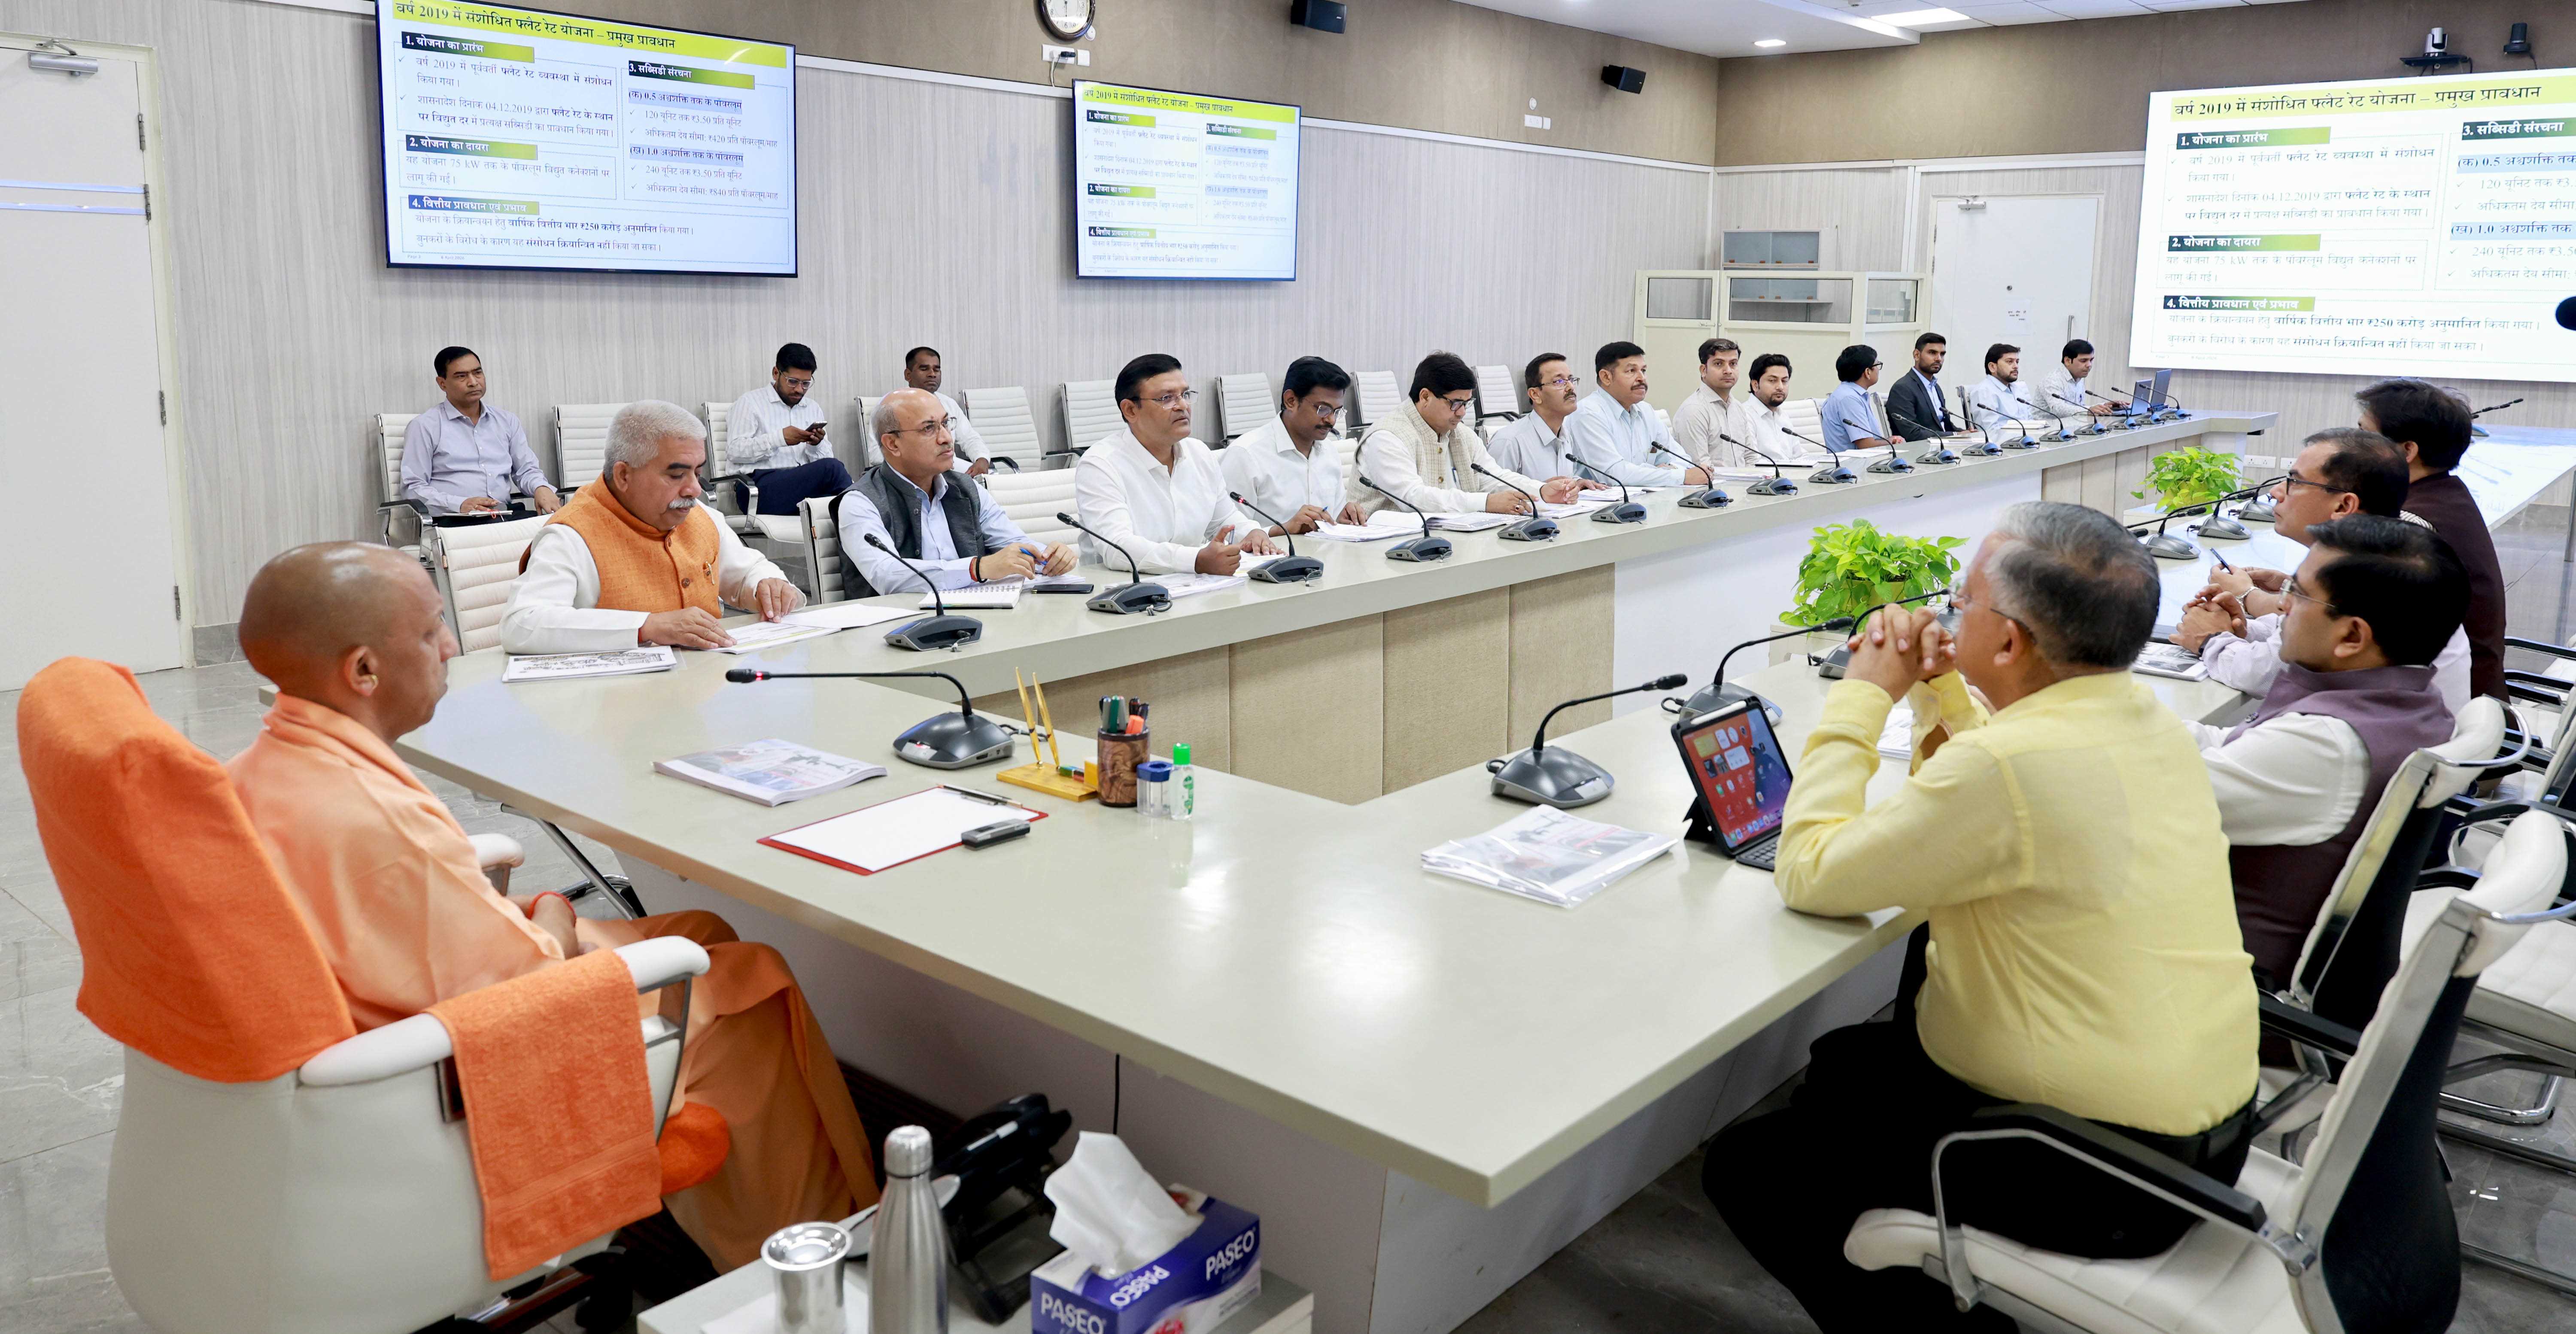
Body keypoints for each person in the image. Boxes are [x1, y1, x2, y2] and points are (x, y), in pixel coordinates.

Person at [228, 541, 877, 1271]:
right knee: (750, 980)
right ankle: (804, 1261)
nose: (450, 646)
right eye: (432, 631)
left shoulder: (256, 773)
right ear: (364, 671)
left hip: (386, 1009)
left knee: (697, 930)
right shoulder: (374, 818)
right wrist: (551, 911)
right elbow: (534, 976)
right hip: (448, 1065)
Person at [1706, 500, 2258, 1334]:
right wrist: (1940, 688)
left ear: (2009, 643)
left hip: (2089, 1166)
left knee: (1753, 1167)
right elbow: (1995, 789)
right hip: (2202, 1133)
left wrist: (1862, 697)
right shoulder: (2145, 719)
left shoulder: (2013, 766)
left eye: (1961, 604)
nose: (1945, 613)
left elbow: (1811, 870)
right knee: (1847, 1066)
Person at [2185, 516, 2465, 987]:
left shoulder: (2327, 743)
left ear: (2353, 637)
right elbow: (2234, 749)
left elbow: (2144, 798)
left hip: (2226, 991)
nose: (2282, 609)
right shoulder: (2411, 701)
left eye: (2298, 594)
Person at [2172, 428, 2472, 712]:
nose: (2277, 493)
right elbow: (2288, 633)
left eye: (2295, 482)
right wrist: (2245, 630)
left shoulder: (2373, 570)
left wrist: (2210, 640)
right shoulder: (2378, 551)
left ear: (2343, 507)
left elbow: (2263, 673)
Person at [502, 400, 803, 654]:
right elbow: (522, 624)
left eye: (698, 473)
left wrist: (768, 585)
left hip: (706, 696)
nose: (695, 490)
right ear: (623, 476)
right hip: (614, 709)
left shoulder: (701, 517)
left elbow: (748, 573)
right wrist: (646, 627)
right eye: (677, 476)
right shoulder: (573, 535)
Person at [835, 388, 1073, 595]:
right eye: (929, 428)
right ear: (893, 444)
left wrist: (1048, 557)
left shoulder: (966, 488)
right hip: (896, 634)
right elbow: (887, 575)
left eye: (946, 424)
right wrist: (977, 569)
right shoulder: (860, 502)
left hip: (976, 619)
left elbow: (1012, 542)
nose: (947, 438)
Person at [2361, 378, 2504, 699]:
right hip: (2474, 693)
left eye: (2365, 435)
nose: (2352, 445)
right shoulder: (2448, 495)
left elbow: (2362, 623)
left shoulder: (2412, 523)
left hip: (2444, 707)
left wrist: (2255, 598)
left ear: (2407, 450)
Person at [1072, 354, 1278, 575]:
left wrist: (1252, 534)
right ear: (1131, 410)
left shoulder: (1199, 453)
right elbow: (1118, 548)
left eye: (1185, 395)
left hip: (1192, 587)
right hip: (1123, 594)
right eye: (1167, 399)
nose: (1182, 406)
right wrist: (1195, 561)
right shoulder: (1101, 465)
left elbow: (1224, 520)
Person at [1346, 352, 1548, 519]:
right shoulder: (1387, 437)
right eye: (1455, 403)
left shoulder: (1461, 434)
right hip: (1386, 553)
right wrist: (1485, 503)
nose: (1462, 412)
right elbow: (1413, 498)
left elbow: (1493, 477)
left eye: (1467, 403)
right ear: (1425, 396)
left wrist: (1541, 491)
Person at [401, 346, 561, 517]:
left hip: (504, 515)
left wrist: (541, 488)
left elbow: (526, 470)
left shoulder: (506, 421)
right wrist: (460, 504)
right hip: (456, 519)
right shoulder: (425, 426)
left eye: (478, 373)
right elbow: (413, 488)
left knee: (559, 530)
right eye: (462, 376)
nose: (473, 382)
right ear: (442, 383)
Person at [1218, 356, 1366, 533]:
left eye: (1337, 411)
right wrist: (1285, 529)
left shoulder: (1329, 452)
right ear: (1291, 401)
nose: (1332, 420)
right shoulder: (1246, 455)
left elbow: (1332, 518)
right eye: (1323, 409)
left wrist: (1342, 517)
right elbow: (1226, 534)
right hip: (1270, 560)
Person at [725, 342, 854, 517]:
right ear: (776, 373)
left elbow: (825, 460)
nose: (800, 390)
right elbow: (735, 451)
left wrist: (815, 445)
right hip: (758, 490)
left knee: (839, 504)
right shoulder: (749, 403)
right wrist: (780, 439)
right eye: (793, 382)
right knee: (834, 471)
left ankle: (863, 527)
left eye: (806, 383)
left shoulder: (812, 408)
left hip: (799, 488)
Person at [1564, 341, 1714, 488]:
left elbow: (1683, 460)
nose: (1642, 378)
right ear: (1606, 377)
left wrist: (1668, 471)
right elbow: (1614, 474)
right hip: (1600, 507)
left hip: (1645, 502)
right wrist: (1680, 476)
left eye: (1643, 371)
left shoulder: (1646, 411)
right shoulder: (1588, 414)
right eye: (1631, 371)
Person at [1481, 353, 1609, 500]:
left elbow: (1559, 477)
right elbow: (1492, 495)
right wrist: (1541, 491)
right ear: (1535, 394)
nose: (1571, 387)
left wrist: (1577, 482)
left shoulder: (1565, 434)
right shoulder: (1509, 441)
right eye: (1559, 381)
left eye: (1571, 380)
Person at [900, 346, 991, 475]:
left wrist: (981, 459)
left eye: (937, 369)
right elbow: (877, 453)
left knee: (989, 481)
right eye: (924, 369)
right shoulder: (893, 406)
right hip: (913, 473)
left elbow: (970, 438)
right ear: (908, 375)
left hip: (950, 468)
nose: (932, 374)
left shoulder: (949, 404)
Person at [1672, 337, 1755, 469]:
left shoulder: (1737, 407)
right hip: (1711, 488)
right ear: (1704, 370)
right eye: (1719, 364)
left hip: (1740, 486)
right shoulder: (1694, 410)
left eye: (1733, 364)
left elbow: (1750, 457)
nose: (1728, 370)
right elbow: (1701, 469)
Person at [1818, 344, 1896, 457]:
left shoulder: (1852, 394)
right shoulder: (1849, 399)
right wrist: (1892, 441)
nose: (1879, 370)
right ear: (1868, 372)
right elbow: (1866, 446)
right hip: (1854, 468)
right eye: (1877, 365)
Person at [1883, 332, 1953, 441]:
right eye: (1933, 353)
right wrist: (1955, 436)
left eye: (1942, 354)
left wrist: (1967, 434)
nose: (1939, 359)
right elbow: (1912, 434)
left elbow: (1945, 426)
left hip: (1943, 448)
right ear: (1917, 355)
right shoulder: (1903, 389)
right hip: (1921, 452)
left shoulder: (1936, 387)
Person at [1741, 352, 1799, 466]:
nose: (1780, 387)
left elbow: (1799, 455)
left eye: (1784, 381)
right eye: (1773, 381)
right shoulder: (1744, 416)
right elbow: (1753, 463)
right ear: (1755, 385)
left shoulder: (1783, 415)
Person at [2035, 338, 2117, 417]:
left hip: (2068, 428)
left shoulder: (2078, 379)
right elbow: (2059, 409)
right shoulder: (2053, 380)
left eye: (2091, 360)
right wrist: (2089, 410)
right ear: (2068, 361)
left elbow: (2078, 409)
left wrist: (2104, 406)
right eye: (2084, 361)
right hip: (2046, 430)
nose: (2089, 365)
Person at [1966, 343, 2035, 433]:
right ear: (1992, 367)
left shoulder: (2018, 388)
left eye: (2017, 362)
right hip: (2005, 445)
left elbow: (2030, 422)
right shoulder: (1984, 391)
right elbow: (1989, 431)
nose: (2016, 366)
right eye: (2010, 362)